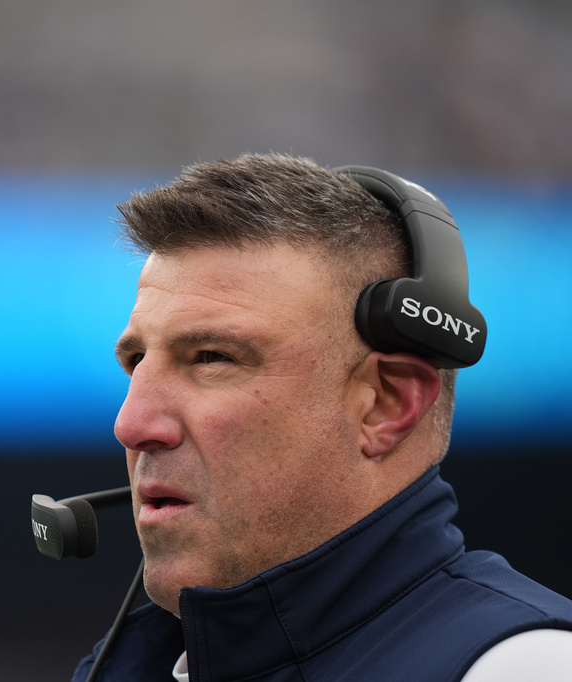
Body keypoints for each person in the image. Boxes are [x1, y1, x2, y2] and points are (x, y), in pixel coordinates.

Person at [72, 153, 572, 681]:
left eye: (212, 357)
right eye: (135, 363)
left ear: (386, 404)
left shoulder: (522, 667)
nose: (131, 426)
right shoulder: (127, 666)